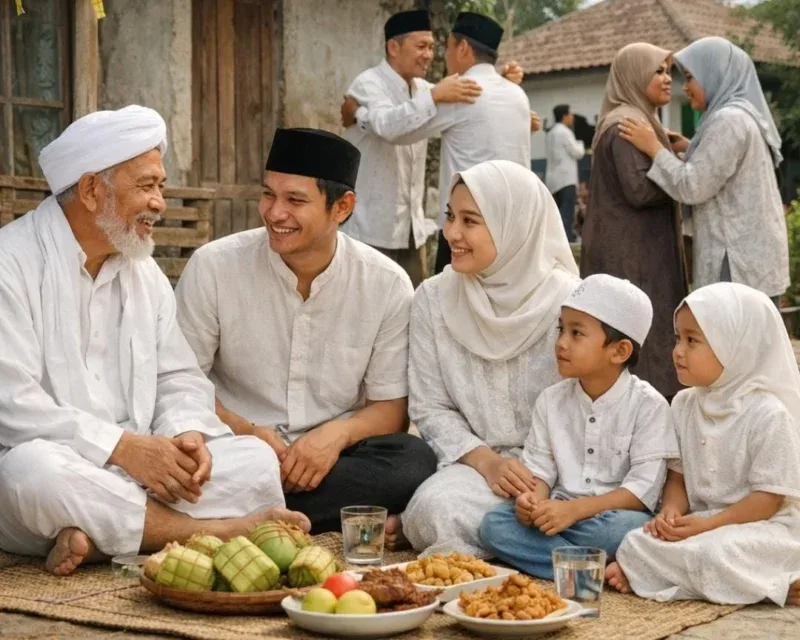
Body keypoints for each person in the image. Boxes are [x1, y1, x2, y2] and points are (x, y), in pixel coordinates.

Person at [0, 106, 303, 577]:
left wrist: (185, 434)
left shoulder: (143, 271)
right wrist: (122, 449)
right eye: (146, 186)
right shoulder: (9, 264)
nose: (159, 202)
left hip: (137, 471)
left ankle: (101, 538)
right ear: (90, 190)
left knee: (256, 462)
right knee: (32, 473)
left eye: (160, 187)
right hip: (54, 465)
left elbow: (177, 377)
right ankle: (222, 531)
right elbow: (12, 406)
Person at [175, 127, 437, 535]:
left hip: (332, 464)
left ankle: (226, 518)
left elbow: (391, 409)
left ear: (342, 207)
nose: (274, 213)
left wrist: (333, 437)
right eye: (268, 194)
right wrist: (248, 431)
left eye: (295, 200)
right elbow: (180, 383)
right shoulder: (214, 267)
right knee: (184, 457)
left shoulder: (386, 284)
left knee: (412, 460)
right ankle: (262, 513)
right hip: (232, 447)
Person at [397, 160, 580, 557]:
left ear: (512, 224)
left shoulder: (571, 302)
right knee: (434, 511)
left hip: (567, 469)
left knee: (596, 515)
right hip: (477, 470)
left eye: (470, 221)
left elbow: (591, 402)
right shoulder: (433, 297)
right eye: (449, 217)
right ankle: (540, 549)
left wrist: (541, 476)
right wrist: (488, 463)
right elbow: (430, 406)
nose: (452, 234)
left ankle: (514, 543)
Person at [607, 283, 800, 607]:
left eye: (692, 340)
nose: (678, 351)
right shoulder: (683, 404)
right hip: (702, 524)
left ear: (734, 346)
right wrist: (669, 514)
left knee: (718, 552)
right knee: (636, 542)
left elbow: (767, 500)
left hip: (761, 528)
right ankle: (760, 584)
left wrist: (707, 526)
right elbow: (678, 479)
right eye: (677, 338)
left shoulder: (768, 414)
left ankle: (778, 580)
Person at [479, 274, 678, 579]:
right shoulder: (551, 400)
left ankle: (554, 561)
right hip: (557, 512)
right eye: (561, 329)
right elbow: (540, 471)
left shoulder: (649, 406)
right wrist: (533, 501)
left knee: (628, 529)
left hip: (610, 517)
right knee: (495, 524)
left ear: (619, 351)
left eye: (576, 333)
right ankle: (588, 569)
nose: (561, 342)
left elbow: (641, 492)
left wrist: (575, 512)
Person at [341, 12, 534, 276]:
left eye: (433, 47)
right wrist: (435, 96)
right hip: (372, 227)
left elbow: (470, 109)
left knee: (413, 306)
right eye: (421, 46)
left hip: (412, 229)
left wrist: (498, 80)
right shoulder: (369, 83)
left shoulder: (426, 89)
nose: (430, 55)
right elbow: (389, 127)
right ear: (393, 47)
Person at [619, 37, 788, 306]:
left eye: (689, 78)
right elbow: (727, 168)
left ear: (715, 75)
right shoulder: (741, 113)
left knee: (733, 341)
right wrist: (691, 148)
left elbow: (693, 186)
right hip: (751, 256)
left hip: (736, 260)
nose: (684, 87)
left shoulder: (728, 120)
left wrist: (654, 148)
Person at [581, 43, 687, 401]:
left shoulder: (641, 120)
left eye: (668, 71)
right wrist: (682, 177)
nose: (667, 79)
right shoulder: (626, 125)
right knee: (642, 339)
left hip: (638, 252)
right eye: (657, 71)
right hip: (631, 257)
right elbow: (640, 190)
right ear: (634, 76)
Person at [545, 104, 585, 242]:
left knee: (558, 211)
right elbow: (577, 152)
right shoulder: (565, 132)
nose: (572, 117)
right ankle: (566, 239)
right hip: (566, 179)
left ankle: (560, 238)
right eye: (570, 114)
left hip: (553, 179)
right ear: (565, 116)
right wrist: (581, 143)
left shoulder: (550, 132)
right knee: (566, 212)